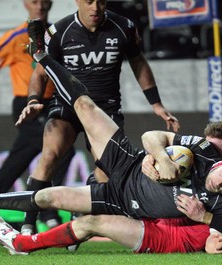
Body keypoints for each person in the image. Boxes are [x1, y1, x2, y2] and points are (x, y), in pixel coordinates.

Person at [0, 19, 222, 244]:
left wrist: (204, 219)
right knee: (85, 105)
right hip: (129, 164)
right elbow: (151, 137)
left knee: (49, 196)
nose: (221, 181)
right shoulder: (202, 150)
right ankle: (41, 55)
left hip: (121, 202)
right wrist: (160, 158)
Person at [19, 0, 180, 235]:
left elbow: (138, 62)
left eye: (100, 1)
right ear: (77, 1)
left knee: (105, 175)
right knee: (49, 156)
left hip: (106, 110)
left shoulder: (124, 27)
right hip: (67, 106)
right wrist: (33, 101)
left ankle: (82, 217)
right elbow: (40, 73)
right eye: (89, 1)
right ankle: (28, 223)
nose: (95, 7)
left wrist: (155, 103)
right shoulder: (59, 32)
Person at [0, 0, 74, 241]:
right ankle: (46, 211)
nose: (40, 6)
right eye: (34, 1)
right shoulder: (16, 36)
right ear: (25, 5)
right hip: (27, 105)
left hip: (52, 103)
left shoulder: (56, 34)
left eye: (44, 2)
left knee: (24, 160)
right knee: (60, 152)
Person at [0, 213, 222, 255]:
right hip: (150, 223)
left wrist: (216, 240)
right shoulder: (206, 192)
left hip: (155, 238)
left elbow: (215, 245)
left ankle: (21, 243)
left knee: (91, 223)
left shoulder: (221, 218)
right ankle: (71, 240)